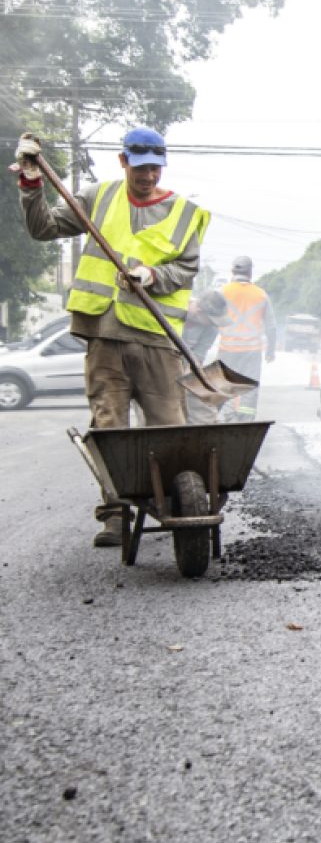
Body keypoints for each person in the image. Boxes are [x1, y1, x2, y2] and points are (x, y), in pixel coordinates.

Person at [11, 127, 209, 547]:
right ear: (123, 162)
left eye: (155, 168)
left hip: (156, 340)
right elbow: (42, 228)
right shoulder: (96, 199)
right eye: (140, 168)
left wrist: (153, 275)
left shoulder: (183, 213)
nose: (148, 176)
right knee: (109, 428)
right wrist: (31, 183)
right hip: (104, 336)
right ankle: (115, 515)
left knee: (169, 428)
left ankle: (177, 502)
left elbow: (187, 268)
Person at [217, 255, 275, 421]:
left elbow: (212, 317)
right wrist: (271, 351)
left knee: (226, 385)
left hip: (227, 349)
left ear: (232, 270)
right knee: (249, 387)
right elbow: (271, 326)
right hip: (252, 351)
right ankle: (245, 422)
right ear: (250, 272)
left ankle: (226, 418)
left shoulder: (223, 292)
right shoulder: (261, 294)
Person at [181, 289, 232, 424]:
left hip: (184, 368)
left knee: (200, 404)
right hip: (157, 364)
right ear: (199, 311)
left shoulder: (211, 329)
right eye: (211, 320)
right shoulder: (176, 311)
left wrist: (190, 375)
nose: (214, 324)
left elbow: (198, 355)